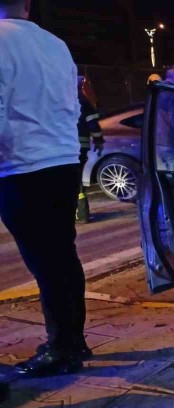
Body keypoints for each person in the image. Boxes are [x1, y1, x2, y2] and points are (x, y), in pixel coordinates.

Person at [1, 0, 91, 376]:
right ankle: (73, 339)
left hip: (21, 166)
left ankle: (62, 349)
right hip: (63, 161)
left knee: (46, 263)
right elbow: (73, 104)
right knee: (63, 255)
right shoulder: (56, 44)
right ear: (27, 4)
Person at [75, 76, 104, 223]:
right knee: (78, 180)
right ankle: (82, 213)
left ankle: (78, 213)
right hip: (81, 148)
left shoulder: (59, 102)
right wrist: (98, 141)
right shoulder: (83, 102)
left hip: (62, 149)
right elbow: (93, 124)